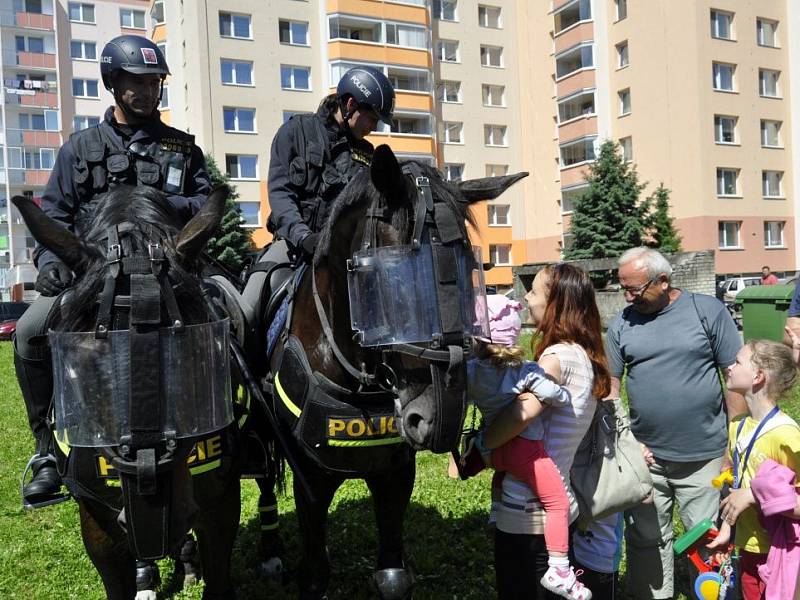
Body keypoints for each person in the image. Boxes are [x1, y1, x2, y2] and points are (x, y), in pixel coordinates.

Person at [14, 35, 211, 507]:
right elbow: (55, 214)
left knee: (236, 319)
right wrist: (49, 265)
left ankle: (245, 431)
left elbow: (206, 207)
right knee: (27, 331)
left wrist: (159, 205)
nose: (146, 92)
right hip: (92, 278)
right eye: (135, 83)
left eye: (153, 83)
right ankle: (45, 450)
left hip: (168, 275)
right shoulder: (78, 149)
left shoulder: (183, 150)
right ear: (111, 83)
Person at [605, 247, 745, 599]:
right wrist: (626, 445)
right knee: (645, 540)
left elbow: (736, 378)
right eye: (623, 288)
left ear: (664, 280)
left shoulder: (706, 311)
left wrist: (732, 443)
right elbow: (609, 387)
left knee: (710, 540)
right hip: (645, 459)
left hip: (705, 457)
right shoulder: (623, 321)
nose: (628, 296)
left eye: (635, 289)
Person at [483, 263, 611, 599]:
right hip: (557, 504)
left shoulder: (555, 358)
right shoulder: (584, 355)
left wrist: (483, 442)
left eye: (535, 291)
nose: (526, 298)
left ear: (554, 303)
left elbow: (519, 417)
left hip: (528, 513)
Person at [241, 66, 395, 319]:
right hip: (294, 249)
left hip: (350, 257)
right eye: (372, 117)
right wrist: (303, 237)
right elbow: (280, 195)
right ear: (350, 104)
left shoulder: (369, 154)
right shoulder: (295, 132)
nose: (374, 126)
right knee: (248, 310)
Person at [466, 294, 591, 600]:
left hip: (498, 453)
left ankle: (496, 511)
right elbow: (552, 393)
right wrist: (562, 397)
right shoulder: (523, 370)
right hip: (526, 450)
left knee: (501, 475)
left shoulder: (471, 371)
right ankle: (559, 569)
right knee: (558, 503)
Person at [706, 340, 800, 600]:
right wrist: (727, 529)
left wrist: (754, 495)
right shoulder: (737, 426)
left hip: (783, 553)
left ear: (758, 376)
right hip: (749, 546)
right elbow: (739, 483)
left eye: (737, 362)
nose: (729, 367)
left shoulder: (786, 435)